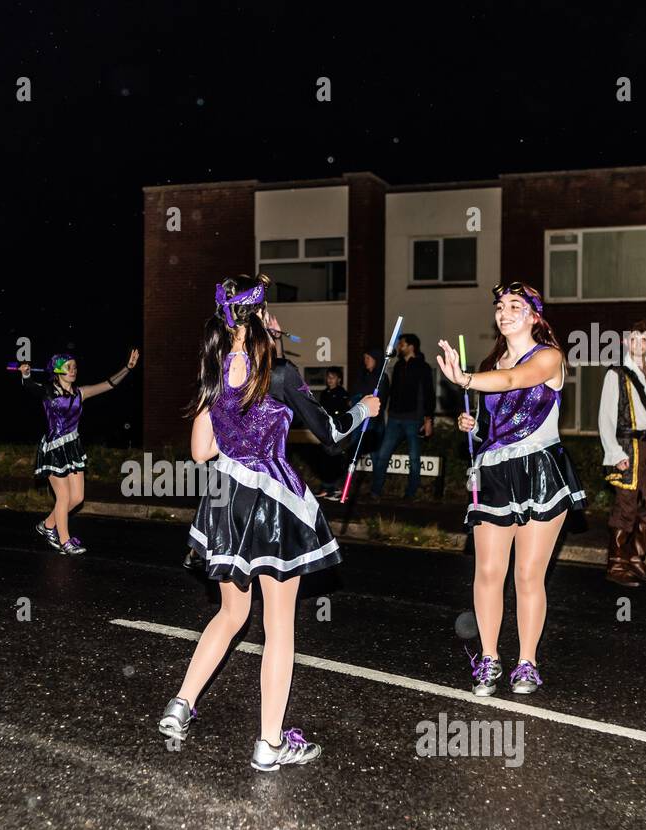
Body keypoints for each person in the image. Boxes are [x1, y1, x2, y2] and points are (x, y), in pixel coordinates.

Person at [159, 274, 380, 771]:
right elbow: (331, 434)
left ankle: (180, 705)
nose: (278, 321)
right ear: (258, 318)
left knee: (231, 614)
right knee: (280, 628)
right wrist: (364, 409)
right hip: (272, 503)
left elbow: (201, 451)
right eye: (270, 313)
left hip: (225, 500)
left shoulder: (216, 373)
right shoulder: (280, 373)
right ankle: (270, 743)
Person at [437, 281, 585, 696]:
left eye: (515, 305)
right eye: (500, 306)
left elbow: (515, 380)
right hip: (494, 471)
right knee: (487, 570)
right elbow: (497, 421)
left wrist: (466, 379)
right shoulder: (491, 362)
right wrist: (474, 425)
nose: (504, 312)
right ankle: (488, 658)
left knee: (527, 574)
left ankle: (527, 662)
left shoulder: (550, 357)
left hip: (540, 469)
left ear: (535, 315)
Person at [19, 347, 139, 556]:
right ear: (57, 371)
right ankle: (65, 541)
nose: (73, 370)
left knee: (77, 498)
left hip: (73, 447)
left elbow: (109, 384)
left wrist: (127, 368)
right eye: (68, 367)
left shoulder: (80, 393)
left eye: (75, 367)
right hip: (54, 449)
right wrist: (26, 374)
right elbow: (29, 386)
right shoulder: (48, 392)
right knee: (63, 497)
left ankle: (47, 526)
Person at [599, 319, 646, 586]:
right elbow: (605, 417)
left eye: (644, 339)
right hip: (627, 447)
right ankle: (616, 564)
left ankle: (634, 557)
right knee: (626, 507)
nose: (638, 344)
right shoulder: (616, 373)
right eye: (633, 339)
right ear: (626, 342)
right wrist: (614, 452)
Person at [369, 333, 434, 500]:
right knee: (383, 454)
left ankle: (410, 494)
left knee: (414, 458)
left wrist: (428, 419)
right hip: (394, 418)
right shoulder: (397, 366)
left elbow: (429, 393)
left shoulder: (423, 367)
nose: (399, 347)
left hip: (413, 419)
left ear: (411, 346)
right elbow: (392, 391)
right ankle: (375, 491)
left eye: (402, 344)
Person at [314, 367, 350, 499]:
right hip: (326, 429)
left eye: (332, 377)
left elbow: (344, 412)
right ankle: (326, 487)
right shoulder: (324, 393)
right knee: (325, 459)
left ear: (339, 379)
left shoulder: (342, 393)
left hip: (338, 431)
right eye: (328, 377)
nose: (329, 380)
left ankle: (338, 489)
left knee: (337, 459)